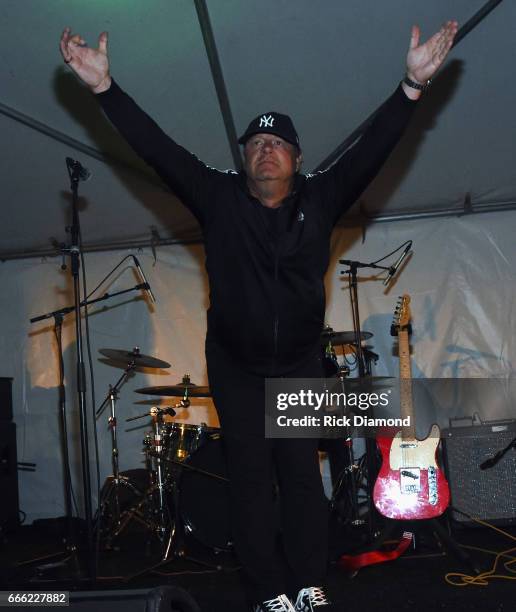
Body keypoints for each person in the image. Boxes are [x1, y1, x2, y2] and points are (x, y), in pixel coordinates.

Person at [60, 19, 458, 612]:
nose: (265, 149)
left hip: (297, 362)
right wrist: (104, 89)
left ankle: (307, 582)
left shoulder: (321, 198)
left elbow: (372, 150)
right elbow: (157, 148)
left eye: (277, 144)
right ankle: (270, 591)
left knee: (300, 478)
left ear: (297, 159)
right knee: (251, 481)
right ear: (244, 159)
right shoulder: (217, 197)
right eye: (254, 143)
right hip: (238, 365)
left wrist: (411, 87)